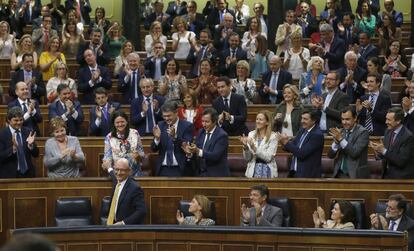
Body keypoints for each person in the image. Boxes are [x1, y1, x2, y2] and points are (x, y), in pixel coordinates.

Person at [182, 107, 230, 177]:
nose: (204, 124)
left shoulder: (222, 135)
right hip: (200, 174)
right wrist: (190, 153)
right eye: (202, 121)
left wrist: (198, 151)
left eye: (207, 122)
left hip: (217, 176)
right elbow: (196, 150)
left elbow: (215, 156)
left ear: (214, 121)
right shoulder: (201, 132)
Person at [151, 101, 194, 177]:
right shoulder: (160, 125)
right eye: (164, 116)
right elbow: (154, 149)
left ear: (176, 113)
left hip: (180, 168)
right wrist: (157, 139)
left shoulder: (187, 126)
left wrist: (175, 137)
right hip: (162, 169)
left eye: (169, 116)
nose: (166, 118)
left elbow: (187, 146)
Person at [370, 107, 414, 179]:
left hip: (402, 178)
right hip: (386, 175)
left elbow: (400, 161)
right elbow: (385, 155)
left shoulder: (408, 137)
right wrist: (378, 151)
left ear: (398, 121)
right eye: (386, 119)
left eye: (389, 120)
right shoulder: (388, 131)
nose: (386, 122)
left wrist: (383, 150)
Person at [279, 109, 324, 178]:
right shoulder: (302, 130)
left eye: (305, 119)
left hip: (308, 175)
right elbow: (293, 145)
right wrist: (283, 142)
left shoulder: (317, 135)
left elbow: (302, 153)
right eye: (302, 118)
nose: (302, 121)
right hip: (295, 172)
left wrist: (286, 143)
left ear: (314, 120)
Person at [328, 106, 370, 178]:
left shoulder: (363, 132)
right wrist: (335, 143)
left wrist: (341, 139)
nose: (344, 122)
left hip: (355, 175)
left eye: (347, 119)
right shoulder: (341, 131)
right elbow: (330, 155)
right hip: (339, 173)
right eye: (342, 119)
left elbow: (354, 153)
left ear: (355, 118)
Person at [101, 158, 146, 225]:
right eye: (117, 169)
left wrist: (123, 223)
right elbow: (113, 175)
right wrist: (109, 168)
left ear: (129, 171)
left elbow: (142, 211)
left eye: (122, 170)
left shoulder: (135, 188)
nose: (119, 173)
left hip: (127, 230)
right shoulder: (117, 181)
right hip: (113, 225)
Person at [103, 111, 146, 177]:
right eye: (117, 122)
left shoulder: (135, 133)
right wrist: (106, 163)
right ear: (114, 124)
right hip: (117, 173)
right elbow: (107, 157)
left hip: (134, 171)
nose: (120, 124)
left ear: (126, 122)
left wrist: (138, 156)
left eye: (122, 122)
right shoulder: (109, 137)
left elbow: (142, 154)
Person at [0, 106, 38, 178]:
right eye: (16, 120)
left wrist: (31, 146)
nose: (19, 123)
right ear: (9, 120)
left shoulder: (28, 132)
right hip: (9, 176)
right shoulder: (2, 135)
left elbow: (36, 154)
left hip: (28, 174)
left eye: (21, 120)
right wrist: (13, 149)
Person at [241, 111, 278, 178]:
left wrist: (254, 148)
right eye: (257, 119)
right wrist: (246, 148)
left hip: (267, 171)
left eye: (260, 119)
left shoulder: (273, 136)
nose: (257, 121)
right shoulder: (251, 134)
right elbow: (248, 158)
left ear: (267, 122)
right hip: (252, 171)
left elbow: (268, 158)